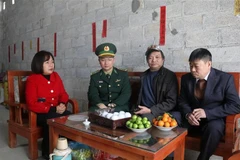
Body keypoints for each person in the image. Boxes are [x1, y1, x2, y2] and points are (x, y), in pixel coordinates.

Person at [178, 48, 240, 160]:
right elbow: (182, 101)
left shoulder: (225, 79)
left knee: (214, 127)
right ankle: (170, 155)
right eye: (190, 65)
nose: (192, 69)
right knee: (172, 118)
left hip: (213, 119)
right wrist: (188, 114)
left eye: (196, 66)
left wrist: (207, 113)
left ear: (209, 64)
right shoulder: (186, 79)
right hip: (191, 119)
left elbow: (235, 105)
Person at [26, 50, 71, 159]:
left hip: (56, 110)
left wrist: (61, 104)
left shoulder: (56, 76)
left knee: (70, 116)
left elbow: (63, 94)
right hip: (40, 114)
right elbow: (31, 103)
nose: (51, 65)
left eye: (52, 62)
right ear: (38, 64)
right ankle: (48, 151)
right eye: (47, 62)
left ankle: (66, 148)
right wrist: (53, 109)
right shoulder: (32, 80)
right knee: (54, 119)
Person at [134, 45, 178, 121]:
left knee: (144, 120)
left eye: (157, 57)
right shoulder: (143, 76)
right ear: (147, 60)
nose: (153, 60)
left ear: (163, 59)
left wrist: (151, 110)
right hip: (142, 109)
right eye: (150, 58)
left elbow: (171, 101)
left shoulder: (170, 76)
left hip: (158, 111)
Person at [88, 42, 131, 112]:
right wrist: (100, 104)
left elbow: (126, 93)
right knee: (93, 113)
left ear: (114, 60)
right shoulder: (95, 76)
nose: (106, 63)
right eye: (103, 60)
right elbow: (92, 94)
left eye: (109, 60)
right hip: (101, 106)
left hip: (119, 106)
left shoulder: (122, 74)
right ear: (99, 61)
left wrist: (114, 104)